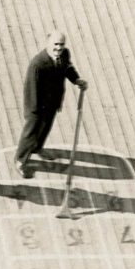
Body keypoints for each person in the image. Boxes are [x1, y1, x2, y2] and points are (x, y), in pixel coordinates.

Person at [14, 31, 88, 177]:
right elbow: (31, 88)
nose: (59, 48)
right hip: (36, 106)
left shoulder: (65, 54)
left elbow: (67, 68)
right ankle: (20, 160)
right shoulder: (38, 64)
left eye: (61, 44)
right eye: (56, 44)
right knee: (31, 133)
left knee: (45, 128)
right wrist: (34, 113)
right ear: (48, 44)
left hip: (52, 102)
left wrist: (77, 80)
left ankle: (37, 148)